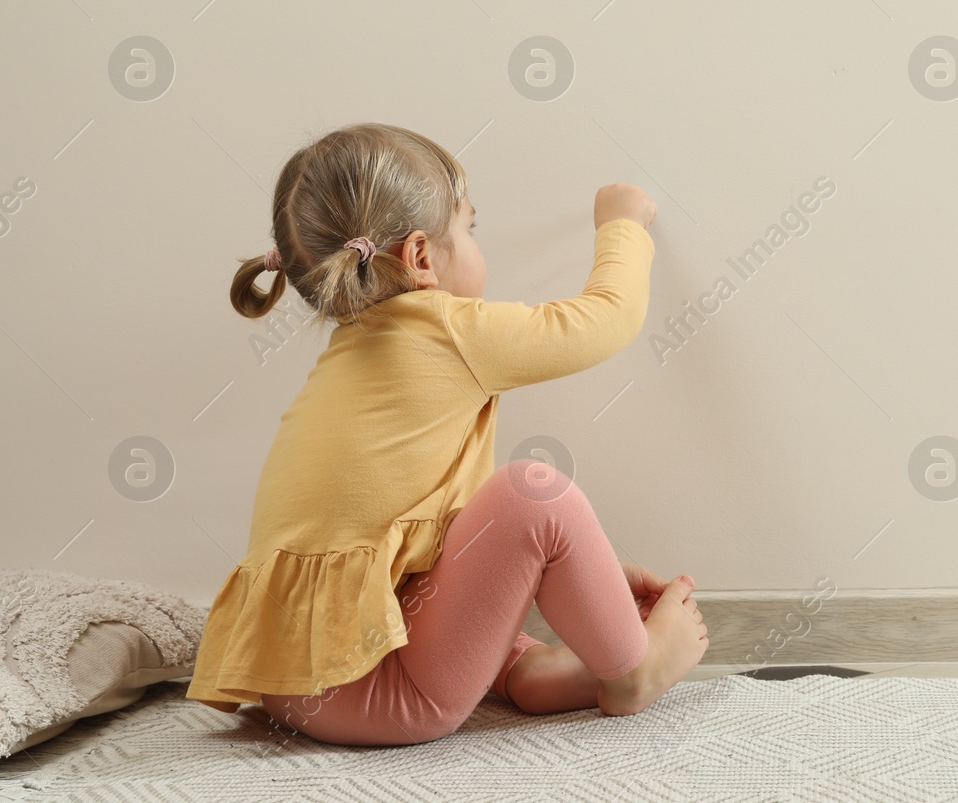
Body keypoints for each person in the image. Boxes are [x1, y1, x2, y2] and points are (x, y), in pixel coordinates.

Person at [185, 122, 707, 745]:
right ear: (422, 258)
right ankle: (633, 670)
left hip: (291, 684)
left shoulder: (345, 361)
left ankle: (525, 671)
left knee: (470, 528)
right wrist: (622, 223)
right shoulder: (448, 330)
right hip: (379, 695)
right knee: (534, 492)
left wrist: (577, 575)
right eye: (469, 226)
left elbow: (431, 540)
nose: (477, 240)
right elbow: (607, 320)